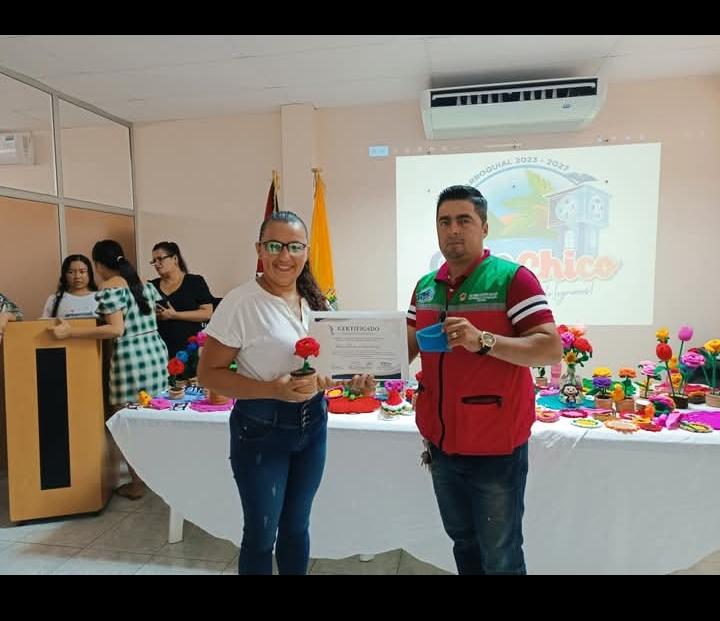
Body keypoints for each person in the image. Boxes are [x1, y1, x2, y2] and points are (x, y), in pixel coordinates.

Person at [198, 211, 372, 575]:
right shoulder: (241, 303)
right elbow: (208, 374)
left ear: (306, 251)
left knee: (296, 528)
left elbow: (327, 369)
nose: (284, 256)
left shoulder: (316, 301)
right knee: (261, 535)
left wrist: (350, 381)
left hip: (313, 426)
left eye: (294, 246)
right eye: (274, 245)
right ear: (259, 249)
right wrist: (272, 390)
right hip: (261, 430)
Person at [406, 185, 562, 575]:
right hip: (441, 445)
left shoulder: (514, 279)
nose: (453, 230)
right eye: (444, 222)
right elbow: (401, 351)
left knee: (501, 555)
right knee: (463, 543)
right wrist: (362, 369)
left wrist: (484, 341)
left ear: (485, 227)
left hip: (495, 449)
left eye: (464, 220)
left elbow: (549, 349)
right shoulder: (425, 287)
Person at [48, 240, 169, 500]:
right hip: (155, 353)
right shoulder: (142, 283)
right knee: (151, 418)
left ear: (99, 265)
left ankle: (137, 484)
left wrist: (71, 332)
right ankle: (159, 477)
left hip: (131, 358)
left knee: (125, 423)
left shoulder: (110, 287)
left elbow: (115, 329)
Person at [150, 241, 214, 371]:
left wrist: (174, 315)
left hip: (189, 350)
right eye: (154, 261)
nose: (156, 264)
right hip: (160, 351)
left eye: (160, 259)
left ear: (175, 258)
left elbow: (207, 313)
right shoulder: (151, 286)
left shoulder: (194, 282)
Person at [41, 254, 99, 319]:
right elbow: (45, 323)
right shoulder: (54, 299)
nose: (77, 276)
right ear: (64, 275)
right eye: (71, 272)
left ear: (89, 273)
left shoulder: (101, 297)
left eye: (82, 272)